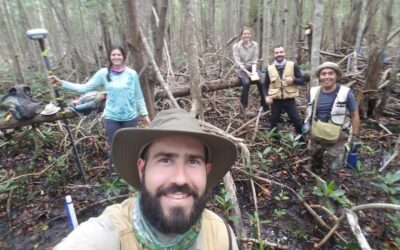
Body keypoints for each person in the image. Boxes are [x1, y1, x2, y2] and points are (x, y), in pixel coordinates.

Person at [54, 108, 239, 249]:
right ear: (142, 169)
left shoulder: (221, 236)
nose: (181, 179)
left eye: (193, 161)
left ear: (206, 171)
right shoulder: (110, 235)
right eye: (165, 160)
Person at [48, 45, 151, 174]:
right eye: (113, 54)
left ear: (124, 56)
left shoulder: (132, 74)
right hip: (112, 117)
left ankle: (131, 175)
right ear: (110, 57)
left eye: (119, 54)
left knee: (130, 148)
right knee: (115, 148)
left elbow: (138, 96)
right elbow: (84, 88)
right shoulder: (103, 73)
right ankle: (114, 177)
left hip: (130, 117)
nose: (116, 57)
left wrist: (145, 114)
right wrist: (61, 83)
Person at [305, 62, 360, 183]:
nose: (326, 77)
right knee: (315, 158)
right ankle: (315, 177)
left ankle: (331, 190)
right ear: (320, 77)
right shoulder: (313, 91)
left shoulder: (346, 93)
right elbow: (309, 109)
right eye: (323, 74)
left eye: (330, 73)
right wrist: (306, 124)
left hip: (338, 136)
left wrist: (355, 136)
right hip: (317, 132)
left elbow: (355, 115)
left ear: (337, 76)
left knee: (334, 167)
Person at [263, 45, 305, 135]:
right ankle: (274, 140)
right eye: (277, 53)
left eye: (281, 52)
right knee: (273, 120)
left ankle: (302, 139)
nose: (279, 54)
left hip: (289, 99)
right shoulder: (270, 69)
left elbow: (302, 81)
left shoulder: (293, 65)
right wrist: (266, 96)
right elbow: (265, 85)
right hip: (275, 100)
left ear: (284, 53)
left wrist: (293, 80)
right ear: (274, 55)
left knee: (297, 120)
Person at [232, 27, 268, 118]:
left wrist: (254, 71)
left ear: (250, 35)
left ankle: (265, 106)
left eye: (248, 34)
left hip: (252, 66)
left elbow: (255, 59)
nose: (246, 35)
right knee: (246, 83)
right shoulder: (236, 46)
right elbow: (238, 61)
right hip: (241, 68)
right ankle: (243, 109)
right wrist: (247, 72)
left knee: (262, 82)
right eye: (244, 34)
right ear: (241, 36)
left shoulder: (255, 45)